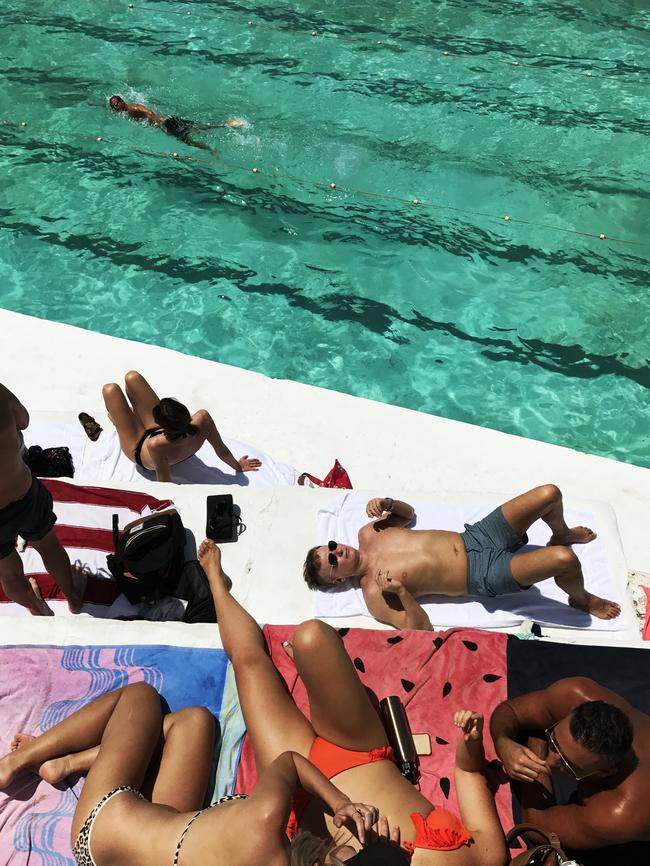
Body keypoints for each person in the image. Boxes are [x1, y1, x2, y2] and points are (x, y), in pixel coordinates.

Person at [202, 538, 508, 866]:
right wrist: (471, 743)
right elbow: (466, 770)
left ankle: (217, 584)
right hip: (362, 754)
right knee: (311, 637)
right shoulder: (485, 858)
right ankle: (312, 680)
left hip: (303, 795)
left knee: (249, 663)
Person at [0, 682, 379, 866]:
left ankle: (21, 760)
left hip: (101, 829)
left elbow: (291, 762)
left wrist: (341, 802)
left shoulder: (264, 819)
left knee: (141, 698)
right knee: (195, 723)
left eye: (353, 854)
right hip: (167, 828)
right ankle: (67, 765)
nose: (353, 845)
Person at [302, 485, 620, 630]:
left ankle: (560, 531)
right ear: (340, 578)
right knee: (563, 560)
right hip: (482, 573)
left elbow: (408, 515)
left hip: (478, 536)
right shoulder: (374, 592)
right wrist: (400, 592)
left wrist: (388, 502)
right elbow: (418, 629)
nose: (335, 551)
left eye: (329, 546)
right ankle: (581, 598)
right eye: (332, 561)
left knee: (548, 494)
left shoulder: (368, 532)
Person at [489, 677, 650, 852]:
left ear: (606, 772)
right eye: (553, 740)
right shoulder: (575, 694)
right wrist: (502, 743)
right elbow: (511, 710)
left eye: (566, 763)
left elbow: (536, 828)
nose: (549, 761)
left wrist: (537, 746)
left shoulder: (619, 812)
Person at [0, 383, 86, 616]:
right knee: (48, 545)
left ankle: (39, 610)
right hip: (23, 493)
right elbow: (23, 420)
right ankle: (73, 597)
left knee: (8, 572)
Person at [102, 370, 262, 482]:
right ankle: (126, 416)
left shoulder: (156, 444)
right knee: (132, 377)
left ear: (160, 424)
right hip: (169, 434)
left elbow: (165, 483)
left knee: (110, 390)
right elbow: (221, 450)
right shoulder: (203, 419)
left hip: (137, 447)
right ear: (185, 413)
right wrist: (238, 467)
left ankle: (120, 420)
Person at [108, 94, 243, 153]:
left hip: (167, 123)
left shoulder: (133, 108)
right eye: (114, 106)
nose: (116, 106)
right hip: (167, 122)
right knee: (195, 130)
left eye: (117, 103)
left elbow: (149, 113)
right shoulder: (127, 111)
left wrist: (161, 125)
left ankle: (224, 130)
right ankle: (223, 129)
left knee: (191, 136)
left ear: (122, 101)